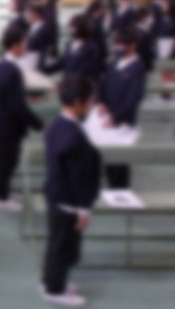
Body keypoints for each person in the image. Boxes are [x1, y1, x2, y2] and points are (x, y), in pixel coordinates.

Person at [40, 76, 102, 308]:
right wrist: (83, 209)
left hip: (55, 194)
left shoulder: (57, 125)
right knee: (63, 247)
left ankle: (50, 281)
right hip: (69, 201)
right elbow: (80, 178)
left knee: (56, 244)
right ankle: (54, 290)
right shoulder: (74, 136)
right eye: (90, 100)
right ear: (78, 102)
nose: (92, 104)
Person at [0, 26, 44, 211]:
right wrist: (37, 123)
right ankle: (0, 198)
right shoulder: (11, 70)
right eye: (24, 43)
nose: (26, 47)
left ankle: (4, 191)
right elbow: (16, 105)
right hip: (8, 124)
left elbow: (13, 97)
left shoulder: (5, 65)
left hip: (3, 120)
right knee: (6, 162)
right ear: (15, 46)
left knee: (7, 160)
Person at [97, 28, 146, 188]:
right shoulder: (114, 62)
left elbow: (133, 99)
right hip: (106, 117)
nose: (118, 48)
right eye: (117, 44)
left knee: (120, 160)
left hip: (123, 121)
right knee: (109, 158)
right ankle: (112, 187)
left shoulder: (137, 68)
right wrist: (101, 102)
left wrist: (116, 118)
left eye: (121, 44)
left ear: (133, 46)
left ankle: (121, 190)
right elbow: (103, 83)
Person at [44, 14, 101, 83]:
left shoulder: (92, 47)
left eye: (73, 27)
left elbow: (89, 70)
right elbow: (62, 62)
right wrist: (44, 70)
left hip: (81, 85)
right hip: (68, 83)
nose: (71, 29)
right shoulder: (70, 44)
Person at [25, 5, 53, 71]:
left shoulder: (44, 30)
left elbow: (44, 51)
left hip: (36, 65)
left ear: (36, 14)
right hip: (29, 62)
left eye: (28, 13)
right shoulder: (32, 27)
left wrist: (40, 68)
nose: (26, 16)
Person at [135, 7, 156, 73]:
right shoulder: (138, 32)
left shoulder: (146, 30)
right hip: (142, 66)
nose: (152, 19)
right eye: (150, 17)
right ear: (143, 18)